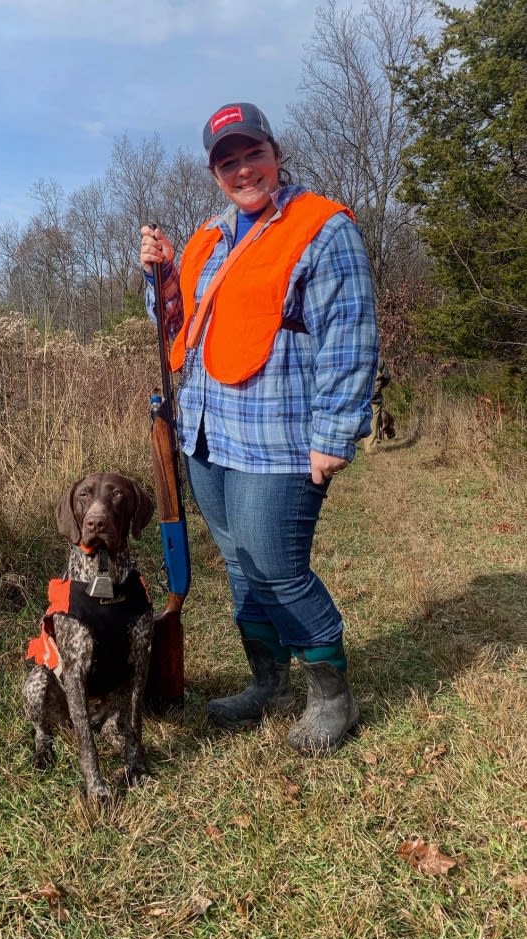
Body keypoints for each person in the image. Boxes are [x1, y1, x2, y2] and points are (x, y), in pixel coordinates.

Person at [139, 102, 379, 754]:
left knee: (277, 565)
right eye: (227, 160)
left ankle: (332, 697)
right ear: (215, 172)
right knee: (243, 567)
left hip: (280, 436)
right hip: (208, 436)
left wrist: (335, 434)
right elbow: (176, 326)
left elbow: (350, 337)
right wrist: (160, 274)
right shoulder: (211, 236)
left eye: (252, 153)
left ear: (275, 153)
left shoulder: (322, 228)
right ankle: (266, 683)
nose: (242, 169)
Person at [363, 355, 392, 452]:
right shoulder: (379, 360)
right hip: (374, 396)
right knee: (373, 421)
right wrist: (380, 387)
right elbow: (387, 377)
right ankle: (370, 448)